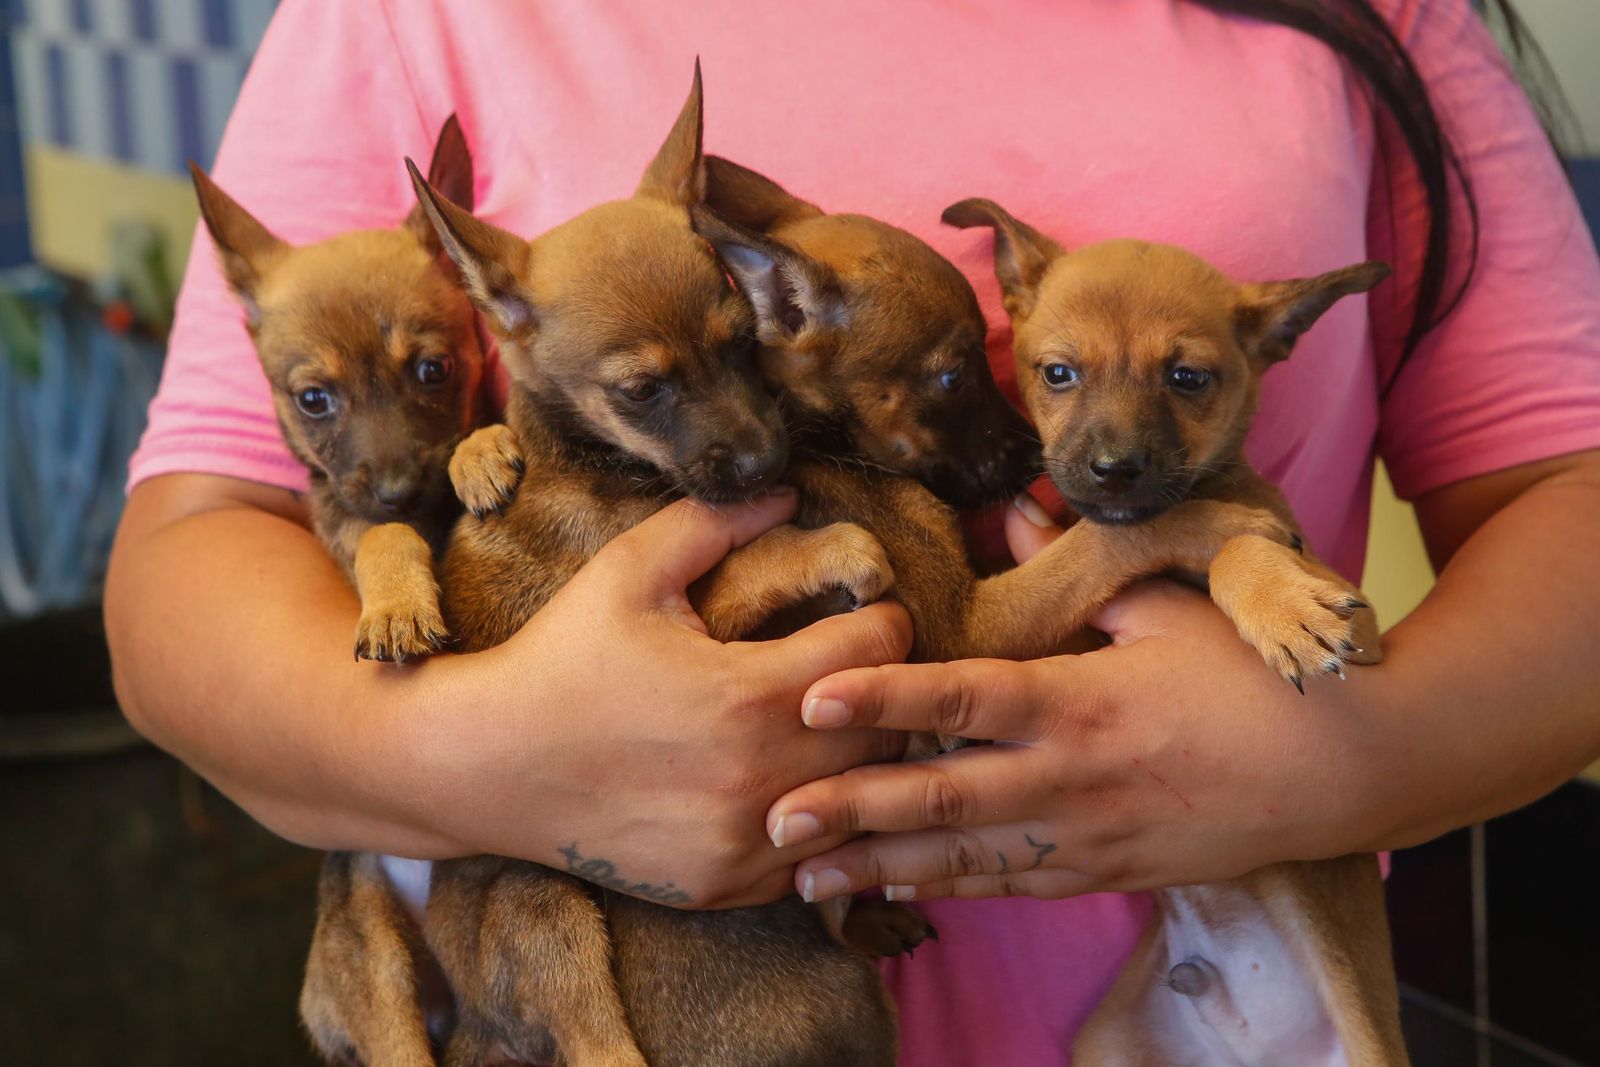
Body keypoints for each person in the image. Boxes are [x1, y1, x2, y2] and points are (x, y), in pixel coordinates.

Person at [105, 1, 1600, 1062]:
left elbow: (1567, 503)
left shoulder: (1375, 16)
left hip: (1227, 1018)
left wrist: (1329, 757)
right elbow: (193, 560)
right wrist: (491, 760)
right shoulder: (403, 14)